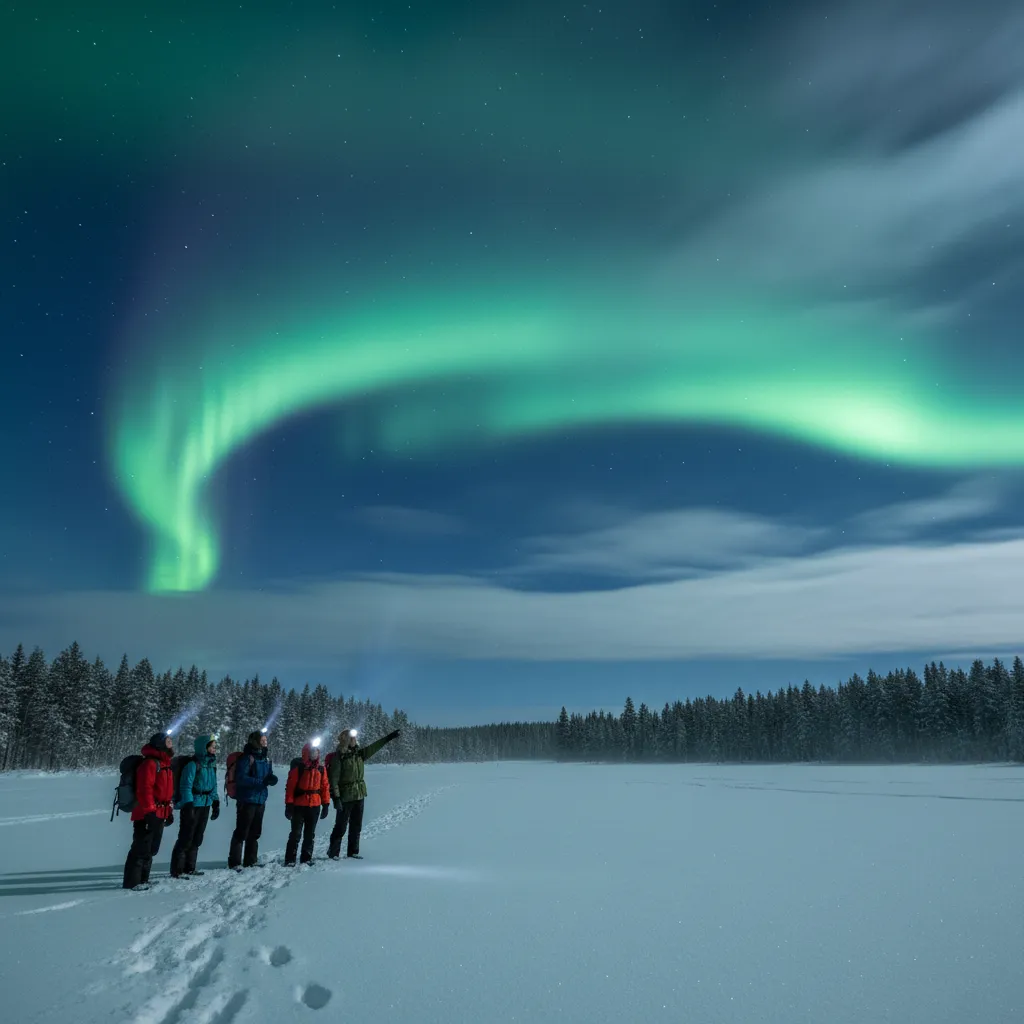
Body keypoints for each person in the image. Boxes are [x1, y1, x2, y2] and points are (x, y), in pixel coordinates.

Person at [327, 727, 401, 860]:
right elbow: (334, 779)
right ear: (345, 740)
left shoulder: (359, 754)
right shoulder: (339, 757)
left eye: (355, 738)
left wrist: (388, 738)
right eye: (351, 738)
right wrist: (336, 798)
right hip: (345, 796)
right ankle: (333, 852)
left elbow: (374, 747)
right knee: (341, 826)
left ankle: (353, 851)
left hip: (359, 795)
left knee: (356, 825)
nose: (354, 740)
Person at [122, 732, 175, 890]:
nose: (171, 742)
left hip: (159, 812)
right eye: (168, 740)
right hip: (146, 813)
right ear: (160, 744)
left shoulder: (165, 764)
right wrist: (150, 811)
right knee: (140, 848)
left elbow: (167, 792)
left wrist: (169, 811)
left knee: (151, 849)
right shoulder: (150, 764)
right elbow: (144, 790)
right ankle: (133, 882)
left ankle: (143, 880)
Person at [170, 734, 220, 878]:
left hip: (205, 804)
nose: (214, 749)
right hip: (192, 804)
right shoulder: (193, 764)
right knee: (186, 836)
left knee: (197, 837)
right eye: (212, 747)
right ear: (203, 748)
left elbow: (214, 785)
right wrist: (188, 804)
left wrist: (215, 802)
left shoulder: (211, 765)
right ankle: (177, 870)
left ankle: (190, 868)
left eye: (215, 747)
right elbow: (185, 785)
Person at [228, 730, 278, 870]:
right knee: (242, 831)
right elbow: (241, 778)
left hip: (260, 799)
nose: (265, 741)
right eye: (262, 739)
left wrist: (271, 779)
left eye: (265, 739)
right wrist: (260, 781)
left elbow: (269, 775)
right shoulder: (247, 758)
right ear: (255, 741)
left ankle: (250, 860)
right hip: (247, 799)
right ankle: (235, 862)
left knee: (255, 832)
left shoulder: (266, 759)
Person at [284, 742, 330, 866]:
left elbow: (325, 786)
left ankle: (306, 858)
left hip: (314, 806)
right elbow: (290, 787)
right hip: (299, 805)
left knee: (310, 834)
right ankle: (290, 859)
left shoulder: (321, 768)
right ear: (306, 753)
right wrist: (289, 805)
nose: (314, 754)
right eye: (312, 752)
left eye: (316, 752)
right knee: (295, 834)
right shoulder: (298, 768)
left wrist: (326, 804)